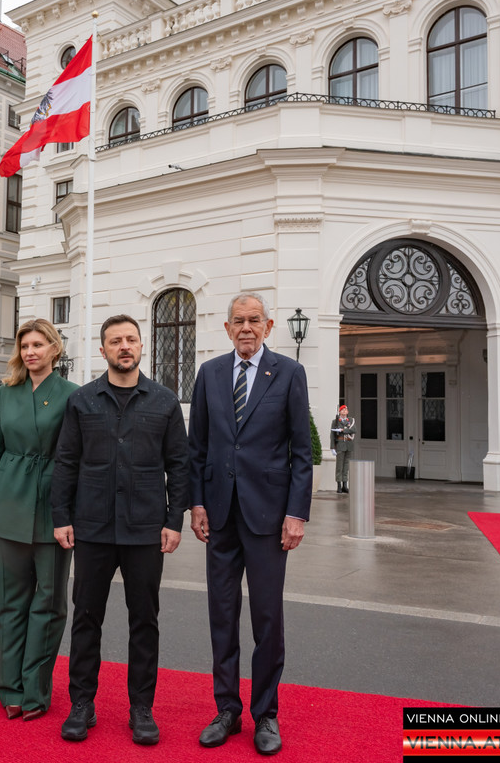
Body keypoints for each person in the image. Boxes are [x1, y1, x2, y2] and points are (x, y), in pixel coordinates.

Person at [51, 314, 189, 746]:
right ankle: (82, 703)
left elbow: (179, 466)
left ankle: (141, 708)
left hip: (145, 530)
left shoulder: (164, 402)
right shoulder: (82, 401)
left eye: (131, 339)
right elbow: (66, 461)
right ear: (103, 350)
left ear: (142, 346)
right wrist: (61, 516)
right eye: (115, 341)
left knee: (144, 621)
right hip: (92, 528)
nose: (124, 346)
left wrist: (174, 520)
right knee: (86, 618)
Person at [188, 292, 312, 755]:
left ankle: (266, 714)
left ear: (268, 326)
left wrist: (296, 513)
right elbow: (197, 447)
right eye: (238, 320)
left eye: (254, 320)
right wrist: (196, 504)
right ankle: (226, 709)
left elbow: (302, 452)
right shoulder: (209, 373)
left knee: (267, 619)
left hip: (268, 518)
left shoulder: (289, 373)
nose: (246, 327)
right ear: (227, 328)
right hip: (219, 517)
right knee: (222, 616)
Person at [0, 319, 77, 721]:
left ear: (54, 348)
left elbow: (76, 457)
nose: (30, 351)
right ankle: (10, 688)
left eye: (38, 344)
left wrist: (72, 511)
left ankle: (35, 688)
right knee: (10, 602)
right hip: (10, 502)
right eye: (25, 346)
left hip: (54, 506)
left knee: (49, 603)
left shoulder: (72, 394)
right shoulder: (7, 393)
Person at [330, 405, 356, 494]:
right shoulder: (335, 421)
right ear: (340, 412)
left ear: (347, 412)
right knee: (339, 466)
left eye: (346, 410)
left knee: (346, 466)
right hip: (340, 444)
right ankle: (339, 485)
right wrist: (332, 447)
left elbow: (354, 430)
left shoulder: (351, 420)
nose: (344, 411)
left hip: (348, 444)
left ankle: (345, 485)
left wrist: (342, 430)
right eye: (342, 410)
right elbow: (332, 435)